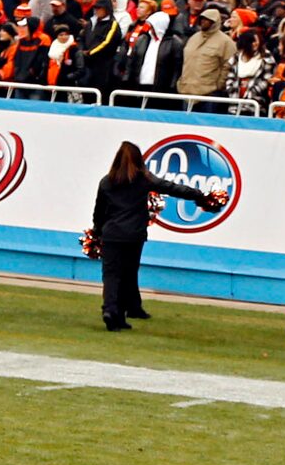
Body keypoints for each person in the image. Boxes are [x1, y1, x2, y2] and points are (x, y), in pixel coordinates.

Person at [91, 140, 221, 330]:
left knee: (111, 275)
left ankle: (110, 310)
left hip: (111, 234)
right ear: (138, 160)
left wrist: (97, 231)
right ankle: (119, 313)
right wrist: (200, 195)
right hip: (134, 235)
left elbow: (99, 211)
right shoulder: (144, 179)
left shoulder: (106, 182)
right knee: (127, 273)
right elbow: (172, 187)